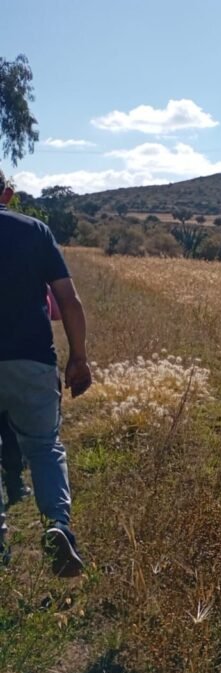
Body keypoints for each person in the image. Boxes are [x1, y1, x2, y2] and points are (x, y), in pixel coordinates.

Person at [0, 169, 92, 576]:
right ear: (7, 193)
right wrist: (79, 357)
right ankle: (58, 526)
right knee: (42, 446)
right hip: (32, 358)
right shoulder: (35, 231)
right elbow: (68, 300)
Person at [0, 289, 58, 505]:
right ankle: (15, 482)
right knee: (15, 429)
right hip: (27, 357)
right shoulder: (29, 260)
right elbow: (58, 311)